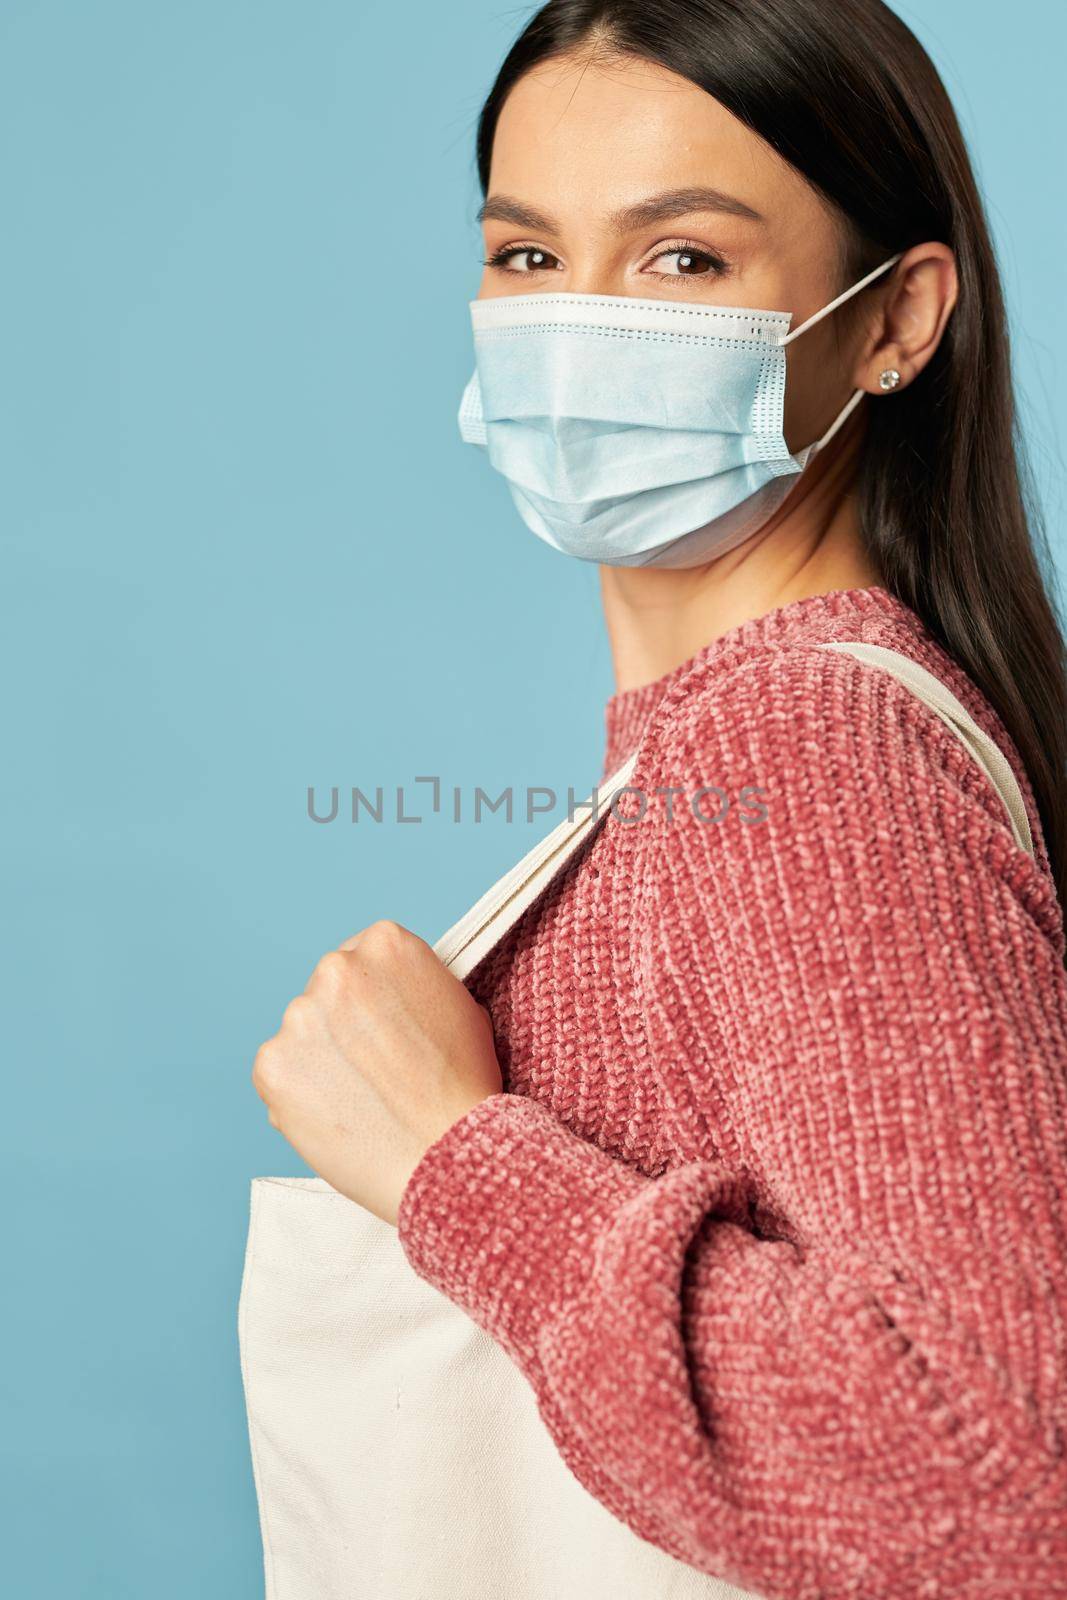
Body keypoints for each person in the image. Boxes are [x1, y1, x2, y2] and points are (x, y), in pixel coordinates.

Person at [251, 1, 1067, 1593]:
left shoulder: (803, 754)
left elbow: (1007, 1485)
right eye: (530, 258)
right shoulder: (741, 740)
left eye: (683, 260)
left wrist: (452, 1164)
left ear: (896, 319)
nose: (579, 331)